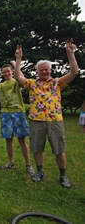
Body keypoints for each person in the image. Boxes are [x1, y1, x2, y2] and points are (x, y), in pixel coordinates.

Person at [14, 39, 79, 189]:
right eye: (41, 70)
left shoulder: (58, 83)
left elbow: (74, 72)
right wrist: (18, 59)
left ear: (50, 70)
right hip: (36, 120)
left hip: (55, 120)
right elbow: (18, 77)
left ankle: (63, 175)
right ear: (37, 71)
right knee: (37, 148)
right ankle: (40, 171)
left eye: (46, 69)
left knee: (59, 149)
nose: (44, 71)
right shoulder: (32, 84)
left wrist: (70, 54)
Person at [0, 64, 35, 177]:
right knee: (8, 139)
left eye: (8, 71)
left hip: (19, 112)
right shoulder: (1, 85)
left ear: (12, 71)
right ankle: (10, 162)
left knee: (22, 139)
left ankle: (28, 165)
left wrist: (16, 65)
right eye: (4, 72)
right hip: (6, 113)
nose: (6, 74)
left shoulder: (16, 82)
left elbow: (24, 81)